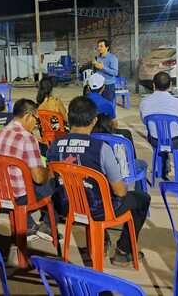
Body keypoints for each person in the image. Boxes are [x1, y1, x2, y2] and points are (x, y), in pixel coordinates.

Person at [47, 96, 150, 267]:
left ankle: (101, 243)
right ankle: (123, 251)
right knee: (141, 199)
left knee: (92, 191)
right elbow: (120, 192)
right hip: (97, 209)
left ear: (68, 118)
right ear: (94, 120)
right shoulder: (101, 148)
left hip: (66, 206)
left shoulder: (55, 145)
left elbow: (51, 177)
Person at [0, 98, 56, 240]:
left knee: (22, 177)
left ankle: (28, 225)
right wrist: (50, 171)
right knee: (54, 181)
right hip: (19, 197)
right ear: (27, 116)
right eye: (36, 120)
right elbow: (38, 178)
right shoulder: (27, 138)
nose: (36, 124)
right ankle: (49, 227)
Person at [92, 39, 119, 103]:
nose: (99, 48)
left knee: (108, 105)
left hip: (108, 86)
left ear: (107, 47)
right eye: (98, 46)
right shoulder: (98, 58)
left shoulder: (112, 58)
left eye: (101, 46)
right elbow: (97, 72)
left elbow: (115, 73)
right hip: (98, 85)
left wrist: (103, 67)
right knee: (98, 105)